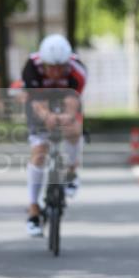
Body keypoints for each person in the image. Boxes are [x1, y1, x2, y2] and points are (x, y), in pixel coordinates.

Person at [21, 34, 87, 237]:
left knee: (74, 129)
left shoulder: (78, 70)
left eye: (61, 68)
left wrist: (66, 117)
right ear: (44, 62)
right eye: (52, 68)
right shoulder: (32, 67)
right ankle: (33, 210)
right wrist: (47, 116)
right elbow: (35, 102)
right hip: (39, 103)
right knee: (39, 151)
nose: (57, 72)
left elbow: (73, 101)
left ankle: (71, 172)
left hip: (65, 100)